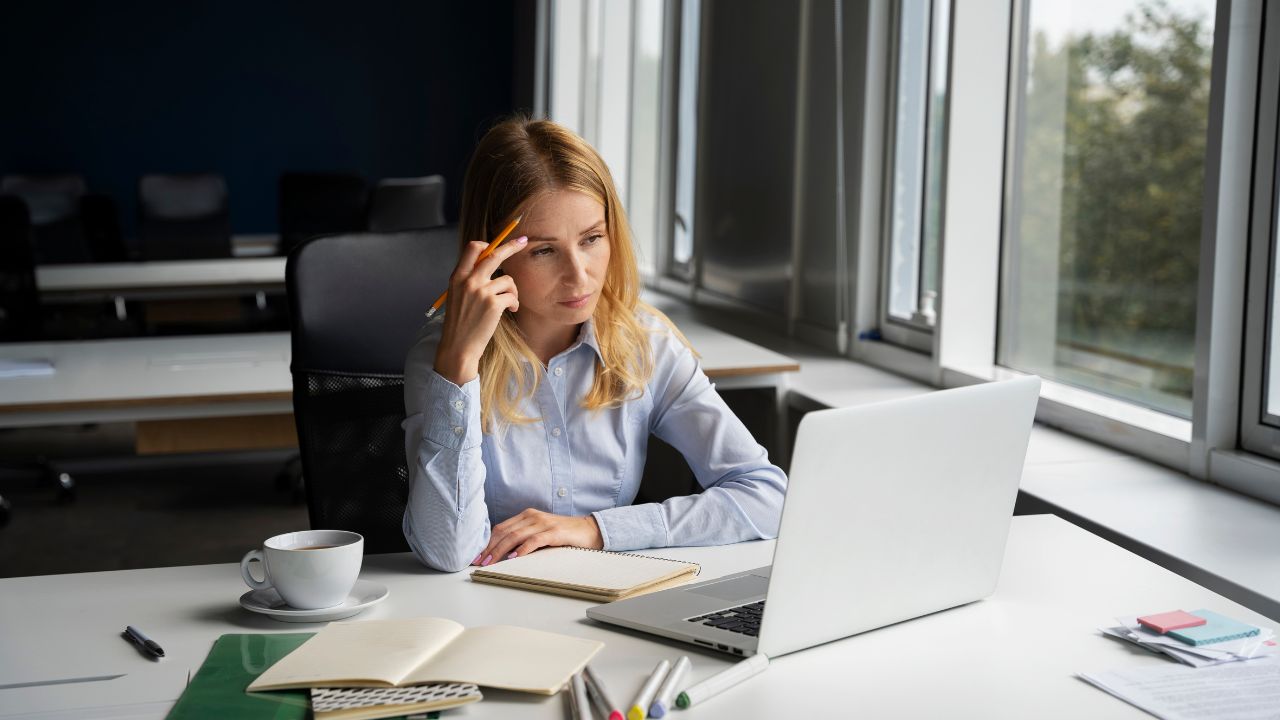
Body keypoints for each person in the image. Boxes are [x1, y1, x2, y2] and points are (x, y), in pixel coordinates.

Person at [402, 117, 787, 572]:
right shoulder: (443, 357)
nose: (579, 275)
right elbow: (449, 553)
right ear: (491, 254)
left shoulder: (646, 344)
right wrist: (460, 362)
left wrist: (596, 529)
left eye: (592, 239)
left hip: (606, 597)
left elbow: (766, 496)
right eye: (543, 250)